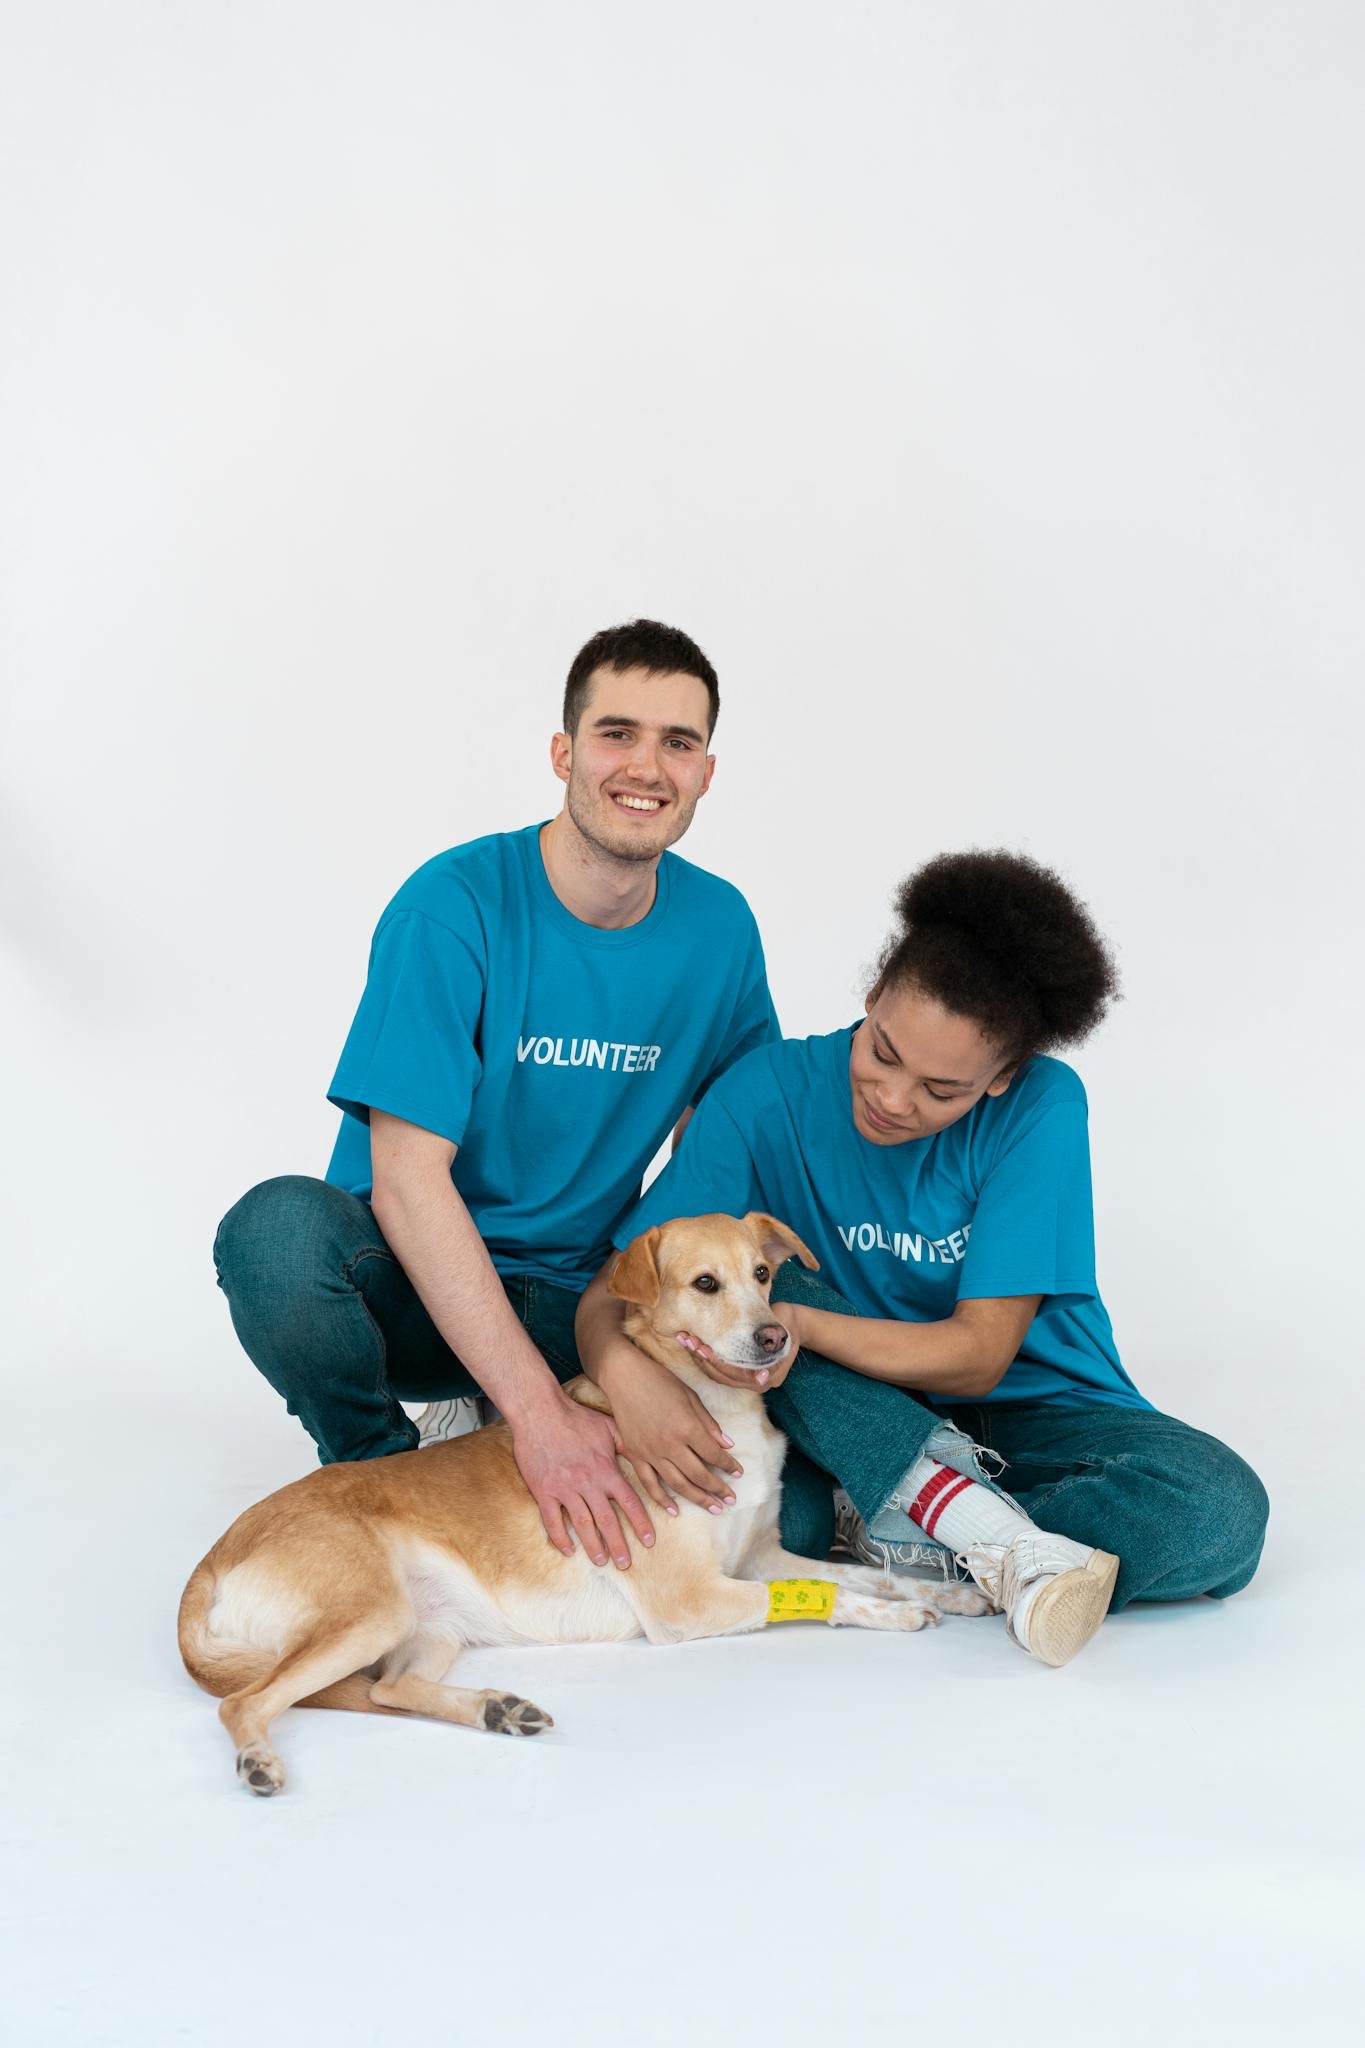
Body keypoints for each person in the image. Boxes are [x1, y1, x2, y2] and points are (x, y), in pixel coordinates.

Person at [576, 850, 1269, 1666]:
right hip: (834, 1404)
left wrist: (793, 1318)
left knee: (1217, 1516)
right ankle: (993, 1544)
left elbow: (976, 1359)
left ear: (1004, 1076)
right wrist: (627, 1382)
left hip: (1036, 1412)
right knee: (762, 1333)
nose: (894, 1098)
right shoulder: (761, 1093)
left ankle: (922, 1520)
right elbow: (622, 1290)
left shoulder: (1041, 1108)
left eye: (941, 1091)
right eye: (882, 1052)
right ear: (869, 1001)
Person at [213, 619, 781, 1573]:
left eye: (678, 743)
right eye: (617, 733)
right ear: (563, 751)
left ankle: (912, 1502)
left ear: (706, 773)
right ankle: (384, 1473)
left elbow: (721, 1156)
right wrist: (543, 1415)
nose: (646, 766)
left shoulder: (719, 929)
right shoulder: (453, 906)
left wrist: (627, 1350)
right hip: (410, 1287)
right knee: (273, 1235)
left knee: (790, 1340)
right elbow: (404, 1183)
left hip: (580, 1295)